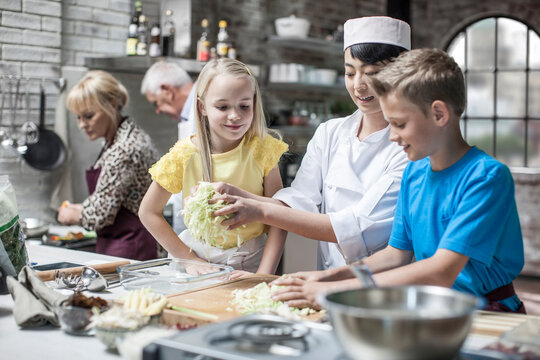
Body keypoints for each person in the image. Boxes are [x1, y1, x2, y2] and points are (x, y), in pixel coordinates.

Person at [271, 48, 526, 314]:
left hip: (488, 313)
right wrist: (329, 277)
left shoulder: (486, 177)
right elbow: (395, 255)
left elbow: (442, 270)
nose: (392, 136)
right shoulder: (414, 173)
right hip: (432, 310)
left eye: (400, 124)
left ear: (439, 114)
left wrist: (333, 290)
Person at [210, 16, 410, 270]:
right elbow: (299, 200)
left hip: (387, 287)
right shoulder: (331, 132)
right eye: (350, 72)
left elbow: (357, 226)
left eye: (372, 73)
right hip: (328, 280)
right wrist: (239, 195)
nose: (358, 85)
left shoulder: (408, 145)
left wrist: (259, 211)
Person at [139, 58, 289, 274]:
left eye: (244, 106)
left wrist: (264, 274)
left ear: (254, 104)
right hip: (196, 260)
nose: (235, 115)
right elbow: (148, 212)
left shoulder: (263, 150)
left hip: (250, 261)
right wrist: (191, 261)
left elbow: (280, 216)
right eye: (222, 106)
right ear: (202, 107)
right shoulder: (184, 154)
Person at [57, 70, 158, 260]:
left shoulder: (124, 148)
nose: (82, 125)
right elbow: (112, 198)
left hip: (131, 246)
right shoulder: (120, 139)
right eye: (78, 117)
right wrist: (80, 207)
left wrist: (71, 215)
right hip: (119, 242)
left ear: (112, 105)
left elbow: (101, 214)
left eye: (88, 116)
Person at [141, 61, 197, 235]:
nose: (157, 111)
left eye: (155, 103)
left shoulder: (202, 107)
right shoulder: (187, 116)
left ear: (167, 90)